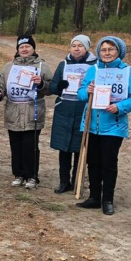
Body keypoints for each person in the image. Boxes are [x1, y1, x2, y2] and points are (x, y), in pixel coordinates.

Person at [76, 35, 131, 214]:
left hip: (113, 126)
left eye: (111, 49)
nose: (107, 53)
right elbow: (80, 94)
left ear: (118, 51)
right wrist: (87, 91)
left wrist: (119, 107)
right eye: (103, 50)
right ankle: (94, 197)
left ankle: (108, 199)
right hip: (91, 123)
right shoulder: (93, 69)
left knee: (108, 163)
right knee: (93, 162)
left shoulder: (127, 71)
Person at [0, 35, 52, 188]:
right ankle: (18, 174)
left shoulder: (42, 66)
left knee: (30, 146)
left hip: (33, 112)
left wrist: (41, 83)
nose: (24, 49)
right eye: (21, 47)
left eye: (28, 46)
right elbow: (1, 86)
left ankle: (32, 176)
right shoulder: (8, 67)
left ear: (33, 48)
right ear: (17, 50)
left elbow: (50, 88)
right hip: (13, 112)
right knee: (16, 145)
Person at [49, 35, 96, 193]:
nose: (76, 49)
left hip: (83, 109)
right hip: (64, 109)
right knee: (64, 148)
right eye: (73, 45)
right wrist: (59, 86)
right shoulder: (63, 64)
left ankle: (77, 180)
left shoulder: (94, 65)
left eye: (80, 46)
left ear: (86, 48)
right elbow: (53, 86)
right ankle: (64, 181)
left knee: (79, 147)